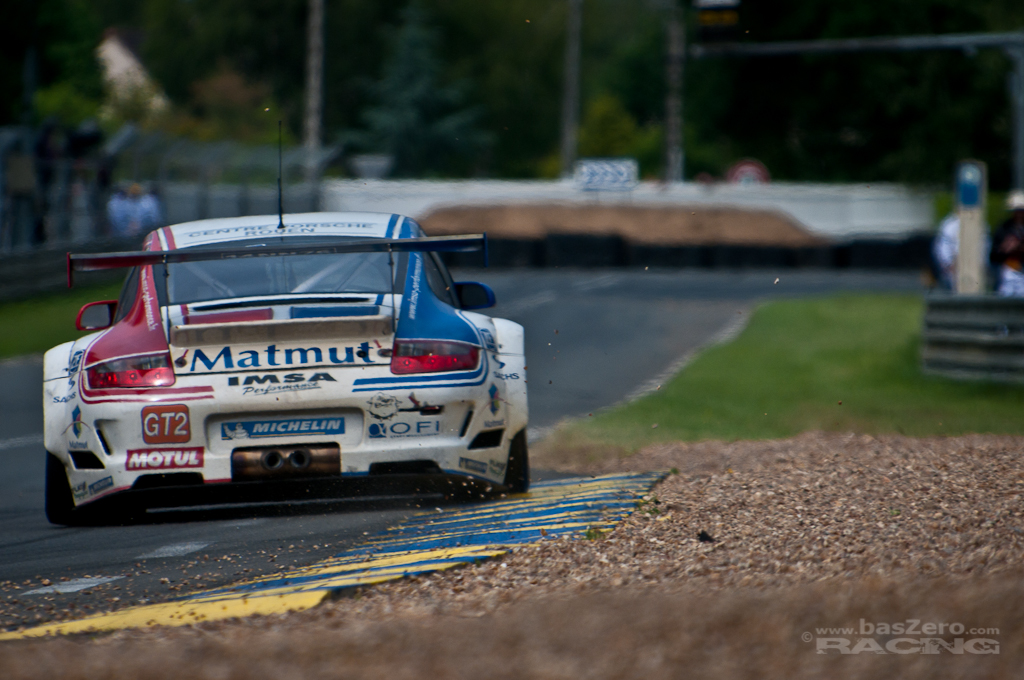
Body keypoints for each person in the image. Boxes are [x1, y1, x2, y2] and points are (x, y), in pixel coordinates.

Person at [989, 191, 1024, 297]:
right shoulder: (1004, 229)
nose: (1018, 214)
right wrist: (1005, 248)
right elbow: (993, 255)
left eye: (1021, 211)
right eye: (1016, 211)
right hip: (1008, 271)